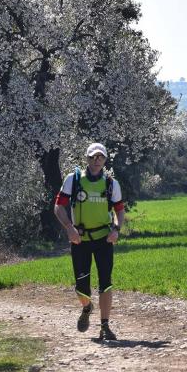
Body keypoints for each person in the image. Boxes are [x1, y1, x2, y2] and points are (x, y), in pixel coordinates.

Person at [53, 142, 126, 341]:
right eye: (93, 157)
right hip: (80, 241)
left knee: (106, 283)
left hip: (104, 239)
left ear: (105, 160)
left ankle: (105, 326)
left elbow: (120, 210)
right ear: (86, 158)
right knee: (81, 286)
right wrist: (69, 228)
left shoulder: (111, 184)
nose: (96, 160)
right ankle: (87, 308)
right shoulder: (74, 180)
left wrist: (116, 229)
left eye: (100, 157)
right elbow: (59, 207)